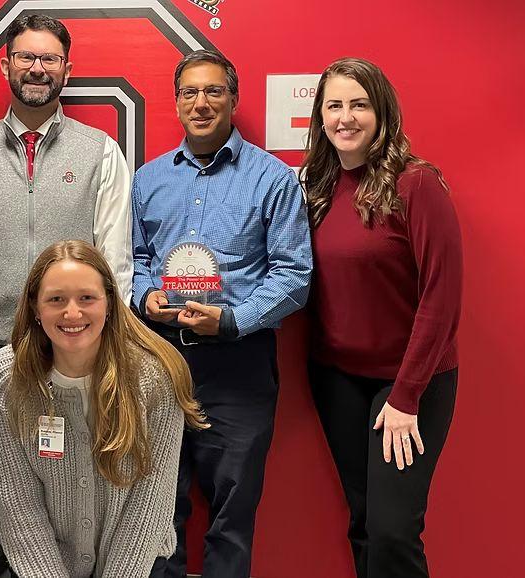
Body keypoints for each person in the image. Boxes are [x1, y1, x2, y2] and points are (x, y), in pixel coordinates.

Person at [0, 14, 132, 577]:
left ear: (67, 68)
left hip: (76, 357)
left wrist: (109, 349)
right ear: (6, 66)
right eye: (26, 57)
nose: (37, 68)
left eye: (49, 58)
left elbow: (114, 262)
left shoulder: (100, 152)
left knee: (77, 496)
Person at [131, 50, 313, 578]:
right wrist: (144, 296)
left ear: (233, 99)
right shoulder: (148, 179)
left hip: (239, 363)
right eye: (189, 92)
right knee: (156, 511)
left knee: (232, 514)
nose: (201, 103)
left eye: (213, 91)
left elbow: (294, 276)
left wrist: (230, 320)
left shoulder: (272, 179)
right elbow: (134, 259)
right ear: (176, 103)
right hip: (160, 360)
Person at [301, 57, 461, 578]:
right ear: (320, 116)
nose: (346, 117)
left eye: (359, 105)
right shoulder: (318, 187)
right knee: (365, 523)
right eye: (334, 105)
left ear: (382, 112)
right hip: (337, 380)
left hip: (408, 382)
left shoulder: (417, 184)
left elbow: (441, 298)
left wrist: (406, 396)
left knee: (393, 531)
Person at [0, 240, 207, 578]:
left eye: (87, 298)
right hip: (43, 565)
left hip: (137, 564)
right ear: (34, 307)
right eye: (56, 299)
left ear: (110, 304)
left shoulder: (156, 376)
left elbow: (149, 507)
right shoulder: (8, 377)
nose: (72, 313)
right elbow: (18, 506)